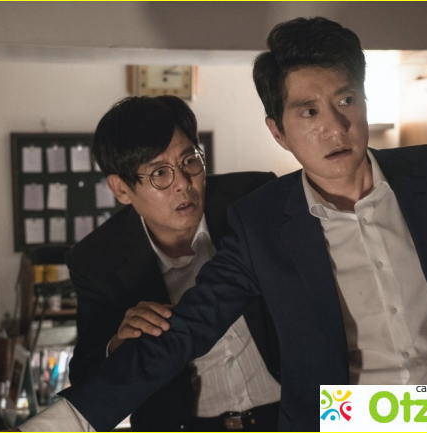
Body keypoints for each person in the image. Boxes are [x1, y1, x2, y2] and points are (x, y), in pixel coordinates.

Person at [21, 17, 427, 432]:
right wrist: (62, 422)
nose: (335, 127)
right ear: (278, 131)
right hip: (350, 418)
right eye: (308, 112)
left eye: (346, 100)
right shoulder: (261, 221)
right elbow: (185, 332)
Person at [22, 95, 281, 431]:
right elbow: (86, 372)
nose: (183, 183)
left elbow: (328, 311)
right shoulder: (96, 259)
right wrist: (119, 341)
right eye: (160, 173)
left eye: (190, 160)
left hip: (295, 412)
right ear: (121, 189)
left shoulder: (253, 196)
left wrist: (345, 418)